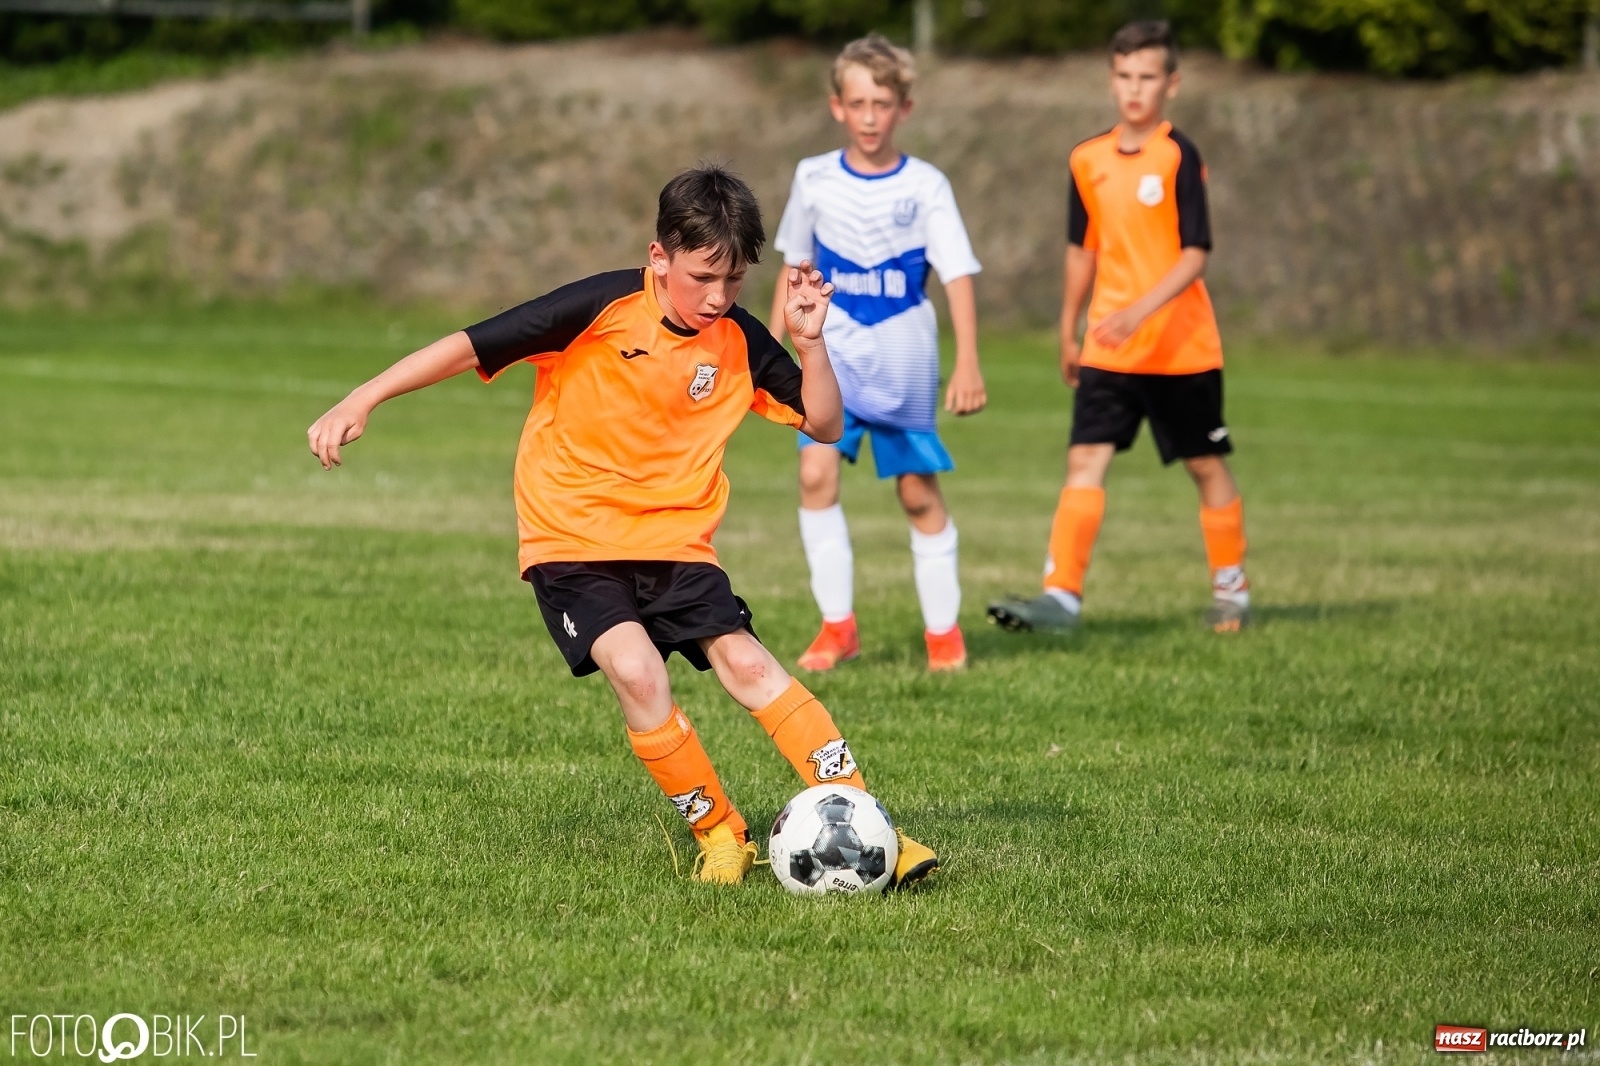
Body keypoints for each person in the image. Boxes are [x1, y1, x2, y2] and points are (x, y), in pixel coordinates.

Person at [306, 165, 938, 888]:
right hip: (570, 537)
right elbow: (470, 345)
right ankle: (720, 834)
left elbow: (825, 424)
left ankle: (867, 821)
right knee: (637, 671)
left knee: (751, 666)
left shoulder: (739, 338)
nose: (719, 297)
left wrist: (809, 342)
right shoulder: (599, 307)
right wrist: (366, 396)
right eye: (703, 277)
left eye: (734, 281)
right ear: (659, 258)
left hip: (675, 540)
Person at [987, 20, 1251, 635]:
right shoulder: (1087, 159)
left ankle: (1231, 590)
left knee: (1205, 465)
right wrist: (1067, 323)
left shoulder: (1179, 155)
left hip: (1183, 349)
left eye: (1148, 77)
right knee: (1085, 460)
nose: (1135, 89)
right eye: (1125, 76)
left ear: (1172, 83)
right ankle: (1062, 599)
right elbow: (1082, 249)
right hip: (1109, 349)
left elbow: (1196, 254)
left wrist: (1140, 309)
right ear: (1112, 80)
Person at [769, 33, 987, 674]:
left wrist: (969, 361)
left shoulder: (925, 185)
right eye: (858, 102)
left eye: (882, 103)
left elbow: (956, 275)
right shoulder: (813, 177)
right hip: (831, 358)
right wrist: (774, 358)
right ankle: (838, 628)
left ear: (904, 109)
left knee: (918, 491)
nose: (869, 116)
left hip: (904, 359)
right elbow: (794, 268)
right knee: (815, 475)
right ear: (837, 106)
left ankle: (944, 637)